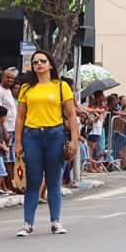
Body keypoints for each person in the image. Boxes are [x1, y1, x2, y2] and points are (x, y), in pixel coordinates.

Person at [14, 50, 78, 236]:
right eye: (35, 62)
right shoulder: (27, 88)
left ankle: (55, 221)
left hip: (55, 135)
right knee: (33, 181)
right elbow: (20, 117)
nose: (39, 64)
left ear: (50, 64)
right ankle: (27, 223)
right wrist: (18, 142)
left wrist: (74, 140)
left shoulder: (61, 87)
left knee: (53, 181)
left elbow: (71, 115)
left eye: (43, 61)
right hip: (31, 135)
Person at [0, 68, 17, 193]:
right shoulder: (0, 91)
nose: (10, 80)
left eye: (12, 78)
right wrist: (4, 129)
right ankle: (7, 186)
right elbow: (0, 112)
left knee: (11, 159)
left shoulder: (8, 92)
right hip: (6, 129)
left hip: (13, 128)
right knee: (6, 160)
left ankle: (11, 185)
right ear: (2, 77)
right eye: (8, 77)